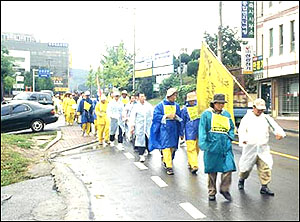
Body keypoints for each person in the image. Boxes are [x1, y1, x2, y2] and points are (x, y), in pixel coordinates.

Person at [237, 98, 286, 196]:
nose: (260, 111)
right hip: (250, 148)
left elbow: (275, 127)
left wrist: (279, 134)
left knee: (265, 167)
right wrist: (244, 139)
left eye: (262, 110)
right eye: (258, 109)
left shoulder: (266, 118)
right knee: (245, 168)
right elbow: (241, 130)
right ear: (253, 107)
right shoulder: (247, 118)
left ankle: (264, 187)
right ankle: (241, 180)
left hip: (263, 148)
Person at [198, 93, 236, 201]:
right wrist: (204, 144)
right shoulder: (206, 115)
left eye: (222, 103)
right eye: (218, 103)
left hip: (225, 146)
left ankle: (224, 189)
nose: (220, 105)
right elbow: (202, 129)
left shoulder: (226, 114)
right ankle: (211, 191)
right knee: (212, 170)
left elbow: (231, 128)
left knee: (229, 167)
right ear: (214, 103)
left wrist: (230, 137)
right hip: (212, 145)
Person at [149, 88, 182, 175]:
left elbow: (180, 118)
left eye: (175, 95)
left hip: (174, 129)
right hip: (164, 130)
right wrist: (166, 116)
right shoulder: (160, 106)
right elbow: (156, 116)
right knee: (166, 146)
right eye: (173, 95)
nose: (175, 97)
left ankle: (166, 160)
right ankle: (169, 166)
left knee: (173, 147)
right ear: (169, 96)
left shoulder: (177, 106)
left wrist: (176, 118)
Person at [129, 92, 153, 162]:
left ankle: (148, 149)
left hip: (148, 125)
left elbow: (152, 114)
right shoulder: (136, 106)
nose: (142, 98)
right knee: (140, 140)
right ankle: (141, 155)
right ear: (138, 98)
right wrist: (132, 125)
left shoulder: (148, 105)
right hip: (140, 126)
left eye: (143, 96)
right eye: (141, 96)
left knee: (147, 138)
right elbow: (133, 116)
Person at [180, 91, 200, 174]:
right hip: (189, 132)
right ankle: (194, 165)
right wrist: (181, 133)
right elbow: (182, 122)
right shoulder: (184, 109)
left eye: (193, 100)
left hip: (199, 131)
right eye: (190, 100)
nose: (192, 102)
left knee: (197, 149)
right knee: (191, 149)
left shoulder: (199, 107)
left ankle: (191, 162)